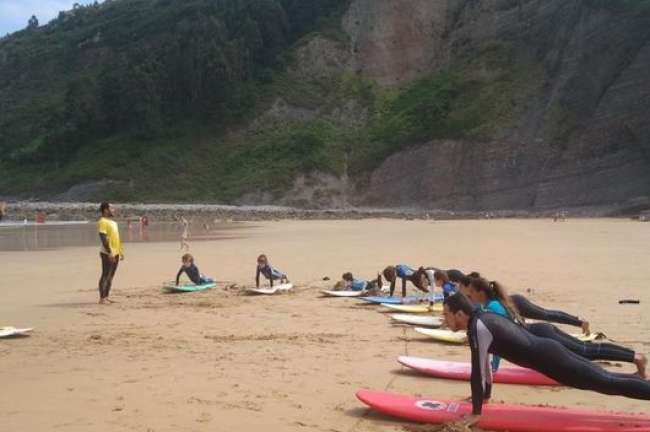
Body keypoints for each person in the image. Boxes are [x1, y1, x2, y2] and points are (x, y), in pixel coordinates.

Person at [442, 293, 650, 427]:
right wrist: (484, 397)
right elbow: (484, 366)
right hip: (549, 354)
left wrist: (476, 412)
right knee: (606, 380)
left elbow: (478, 371)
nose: (445, 319)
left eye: (447, 315)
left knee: (607, 382)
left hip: (551, 359)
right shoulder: (482, 319)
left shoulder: (478, 327)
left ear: (460, 314)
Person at [465, 276, 647, 377]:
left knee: (586, 351)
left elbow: (498, 344)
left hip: (541, 336)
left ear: (481, 292)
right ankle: (633, 358)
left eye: (471, 292)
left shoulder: (492, 309)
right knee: (586, 349)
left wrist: (495, 368)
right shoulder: (494, 303)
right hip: (541, 331)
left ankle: (635, 358)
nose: (469, 295)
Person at [97, 202, 124, 304]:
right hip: (107, 253)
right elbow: (103, 238)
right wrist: (109, 252)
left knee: (111, 276)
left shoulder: (113, 223)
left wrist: (120, 251)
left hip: (115, 252)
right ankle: (102, 298)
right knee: (105, 274)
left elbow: (116, 238)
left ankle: (106, 296)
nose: (114, 210)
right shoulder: (102, 221)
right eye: (112, 208)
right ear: (105, 210)